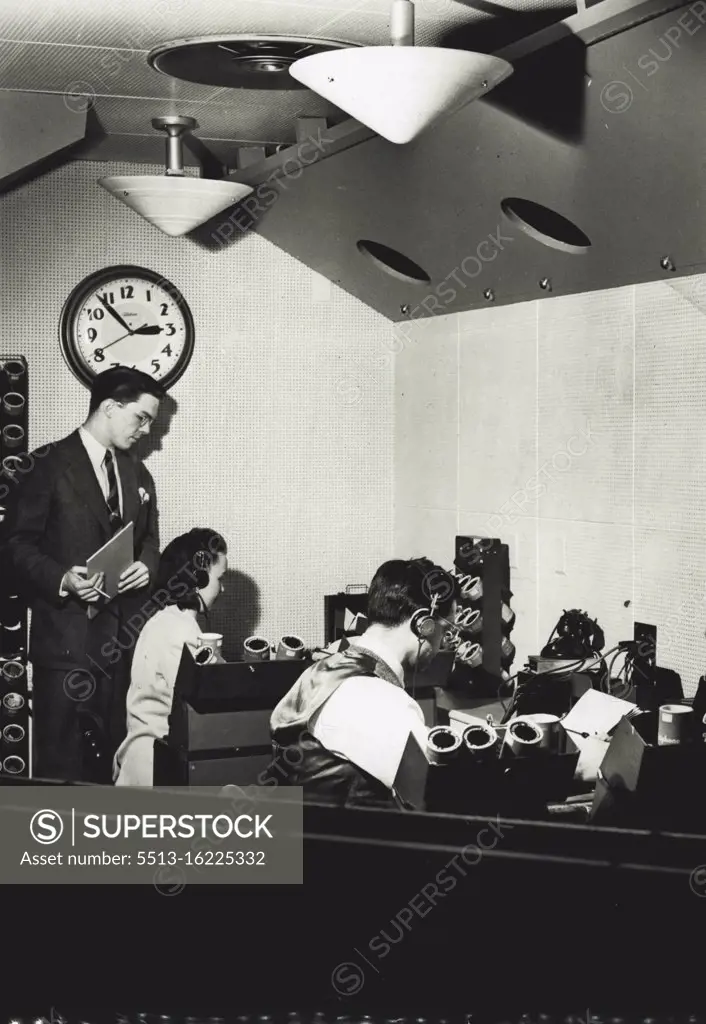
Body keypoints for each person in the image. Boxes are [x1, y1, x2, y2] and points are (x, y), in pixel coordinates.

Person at [5, 366, 164, 781]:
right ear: (110, 407)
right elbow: (16, 546)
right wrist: (62, 578)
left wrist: (145, 567)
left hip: (121, 645)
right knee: (60, 768)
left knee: (109, 761)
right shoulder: (45, 464)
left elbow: (149, 541)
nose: (146, 431)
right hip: (64, 647)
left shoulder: (138, 474)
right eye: (142, 418)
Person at [269, 557, 458, 805]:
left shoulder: (328, 666)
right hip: (339, 840)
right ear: (423, 624)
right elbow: (434, 791)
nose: (442, 644)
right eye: (445, 631)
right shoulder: (380, 701)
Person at [113, 528, 228, 787]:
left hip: (137, 759)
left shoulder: (160, 620)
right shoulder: (184, 631)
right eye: (220, 578)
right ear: (198, 577)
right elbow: (209, 703)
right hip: (158, 769)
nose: (222, 588)